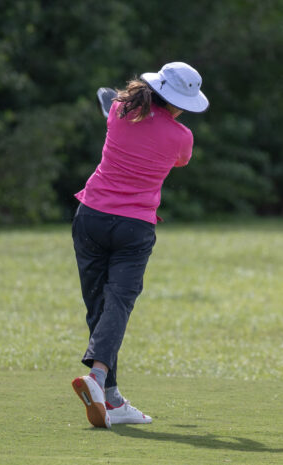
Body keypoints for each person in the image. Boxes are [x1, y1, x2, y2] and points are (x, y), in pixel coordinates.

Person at [71, 62, 209, 428]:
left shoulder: (119, 110)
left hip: (90, 216)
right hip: (133, 227)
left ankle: (111, 397)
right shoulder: (182, 137)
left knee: (98, 306)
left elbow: (122, 111)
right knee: (117, 303)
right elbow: (179, 161)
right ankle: (98, 378)